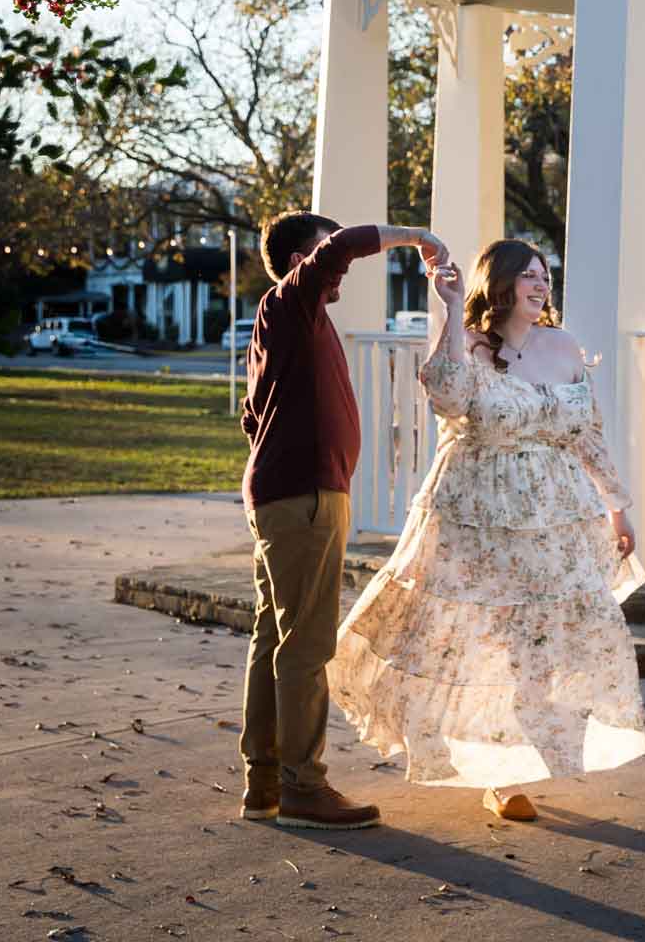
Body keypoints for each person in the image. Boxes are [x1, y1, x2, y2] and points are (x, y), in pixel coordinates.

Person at [328, 238, 645, 821]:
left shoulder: (564, 346)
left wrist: (617, 506)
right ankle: (503, 774)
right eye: (527, 275)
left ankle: (529, 749)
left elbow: (586, 433)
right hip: (481, 514)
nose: (540, 284)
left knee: (552, 638)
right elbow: (446, 396)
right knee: (488, 641)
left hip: (555, 514)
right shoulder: (470, 344)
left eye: (544, 275)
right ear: (498, 285)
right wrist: (451, 309)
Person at [239, 210, 452, 830]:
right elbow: (344, 247)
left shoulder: (295, 323)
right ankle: (304, 785)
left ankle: (266, 783)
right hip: (304, 498)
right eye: (323, 254)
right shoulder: (291, 302)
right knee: (305, 644)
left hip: (288, 495)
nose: (340, 271)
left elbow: (254, 418)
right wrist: (420, 238)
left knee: (274, 640)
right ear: (304, 258)